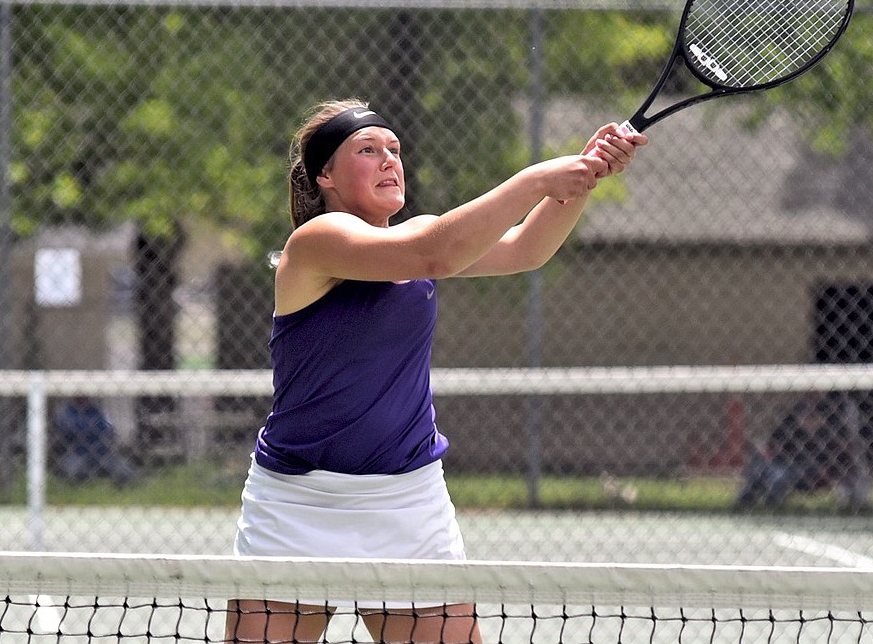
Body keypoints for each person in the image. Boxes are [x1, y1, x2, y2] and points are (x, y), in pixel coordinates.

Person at [225, 99, 647, 644]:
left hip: (408, 501)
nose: (388, 160)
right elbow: (436, 255)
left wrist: (581, 178)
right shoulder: (316, 244)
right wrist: (539, 176)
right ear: (324, 175)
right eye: (368, 149)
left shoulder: (420, 236)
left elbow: (526, 248)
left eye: (395, 150)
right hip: (297, 501)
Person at [735, 395, 840, 508]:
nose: (807, 419)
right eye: (804, 415)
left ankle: (772, 505)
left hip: (808, 467)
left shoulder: (827, 426)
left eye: (813, 416)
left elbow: (830, 457)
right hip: (783, 462)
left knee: (780, 476)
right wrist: (766, 453)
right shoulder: (790, 424)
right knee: (762, 468)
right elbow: (772, 444)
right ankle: (745, 502)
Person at [54, 396, 136, 486]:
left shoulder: (94, 410)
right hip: (77, 453)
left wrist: (88, 428)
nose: (84, 398)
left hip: (101, 453)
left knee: (125, 472)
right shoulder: (66, 412)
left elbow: (107, 430)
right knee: (76, 472)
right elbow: (70, 431)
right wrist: (91, 428)